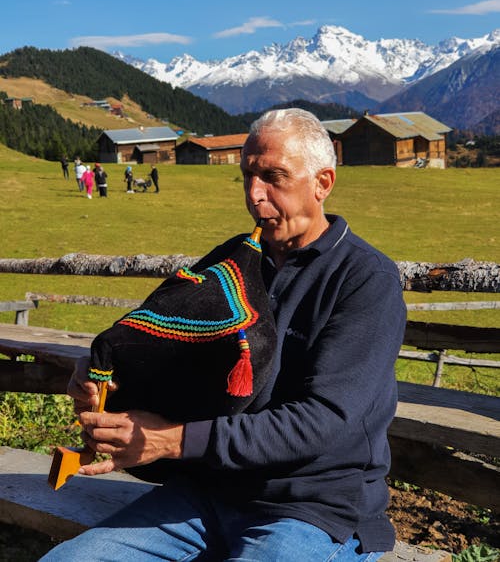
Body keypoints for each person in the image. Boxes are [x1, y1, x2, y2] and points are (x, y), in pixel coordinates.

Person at [40, 108, 406, 562]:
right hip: (205, 492)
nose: (255, 195)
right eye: (247, 176)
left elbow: (324, 422)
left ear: (323, 183)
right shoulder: (232, 260)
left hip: (309, 508)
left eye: (274, 177)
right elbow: (155, 342)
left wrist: (174, 440)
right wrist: (103, 376)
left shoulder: (366, 279)